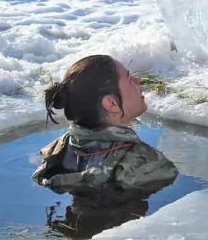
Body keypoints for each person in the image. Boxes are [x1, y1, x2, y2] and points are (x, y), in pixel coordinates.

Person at [32, 54, 179, 198]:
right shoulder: (145, 162)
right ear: (112, 103)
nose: (138, 80)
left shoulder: (55, 150)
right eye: (129, 79)